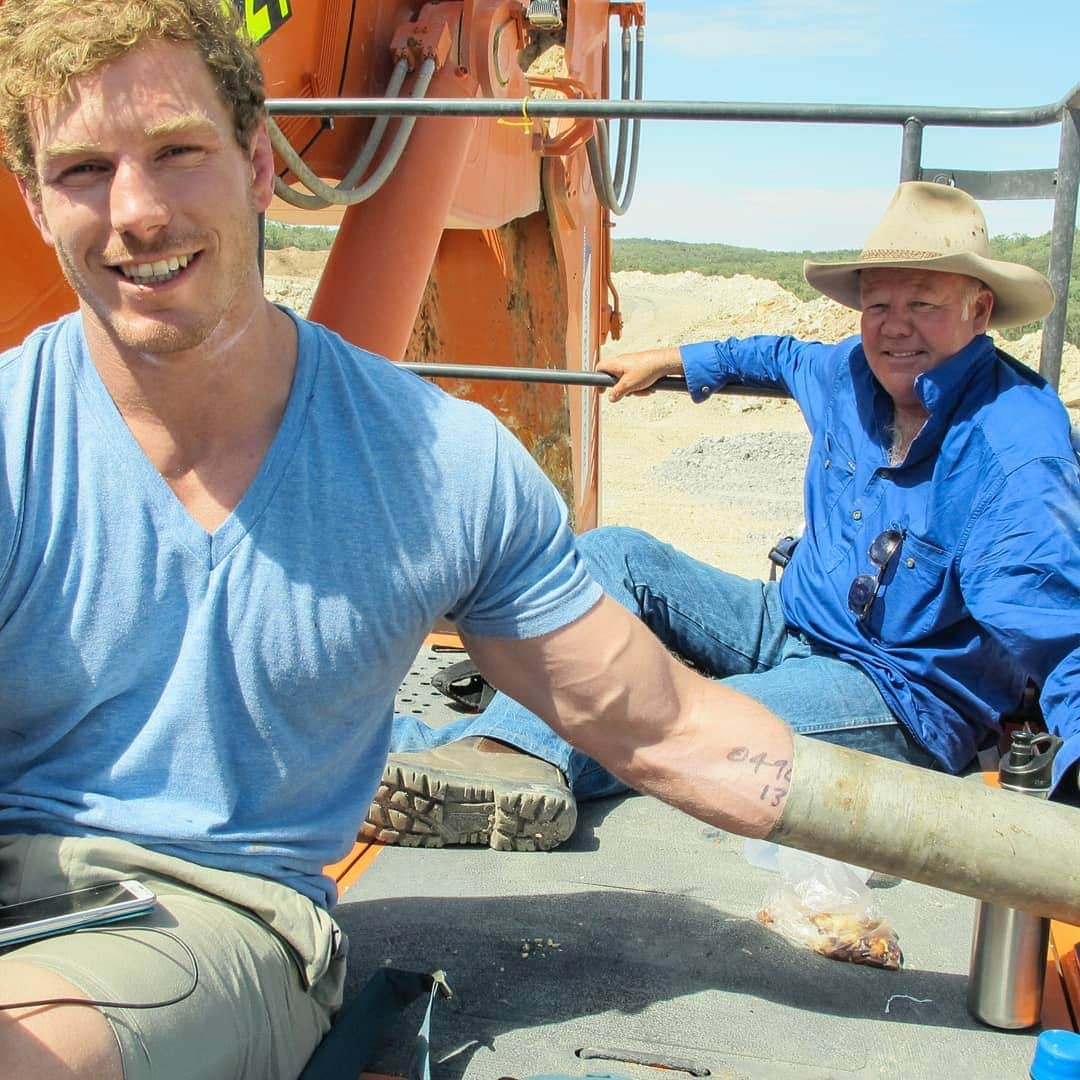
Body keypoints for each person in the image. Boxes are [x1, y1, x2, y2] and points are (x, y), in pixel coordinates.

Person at [0, 2, 815, 1077]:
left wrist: (1022, 854)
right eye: (83, 171)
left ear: (256, 162)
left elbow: (665, 731)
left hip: (205, 918)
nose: (136, 211)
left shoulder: (438, 468)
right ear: (29, 196)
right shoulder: (17, 433)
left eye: (177, 152)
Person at [368, 180, 1080, 851]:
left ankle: (449, 760)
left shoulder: (1014, 447)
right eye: (877, 305)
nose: (894, 329)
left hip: (893, 690)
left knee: (695, 717)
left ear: (979, 310)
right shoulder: (850, 372)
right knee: (617, 552)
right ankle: (500, 757)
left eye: (922, 304)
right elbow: (773, 354)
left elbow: (1058, 632)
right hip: (789, 619)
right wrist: (670, 358)